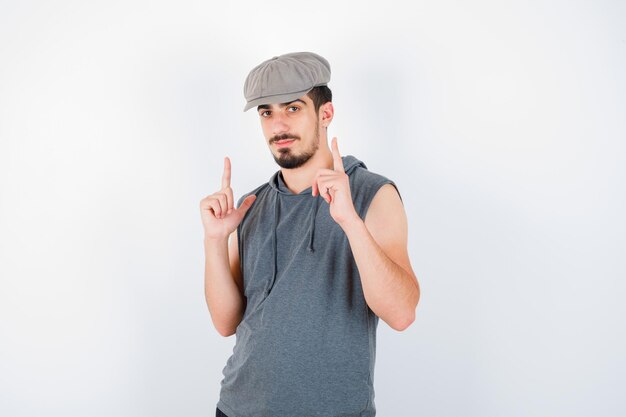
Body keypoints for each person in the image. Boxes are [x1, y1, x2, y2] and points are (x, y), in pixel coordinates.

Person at [200, 52, 420, 417]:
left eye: (293, 108)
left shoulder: (371, 194)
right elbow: (226, 323)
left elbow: (402, 313)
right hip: (238, 408)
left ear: (325, 114)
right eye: (266, 112)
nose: (278, 125)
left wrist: (350, 221)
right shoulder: (250, 205)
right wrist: (214, 241)